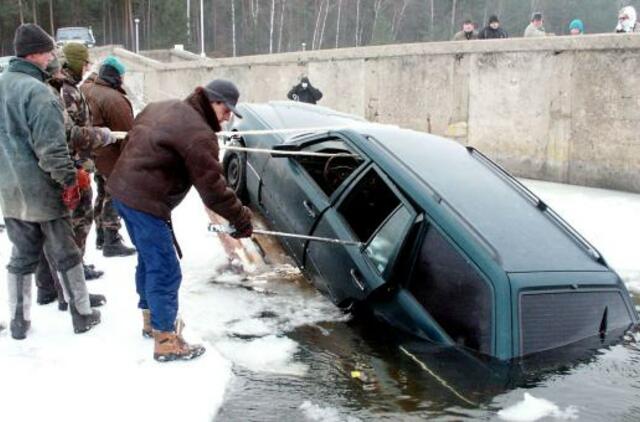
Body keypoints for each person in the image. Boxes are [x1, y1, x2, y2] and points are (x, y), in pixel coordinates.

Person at [107, 79, 253, 362]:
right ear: (214, 102)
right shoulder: (199, 134)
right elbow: (214, 191)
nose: (228, 117)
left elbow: (133, 144)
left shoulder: (160, 107)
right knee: (165, 269)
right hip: (144, 202)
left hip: (122, 193)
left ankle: (152, 321)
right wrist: (242, 219)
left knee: (150, 260)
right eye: (227, 110)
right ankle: (165, 340)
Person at [0, 24, 101, 339]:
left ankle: (19, 322)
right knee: (66, 253)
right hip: (43, 191)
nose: (52, 56)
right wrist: (71, 181)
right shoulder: (39, 93)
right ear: (35, 54)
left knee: (21, 255)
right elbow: (52, 150)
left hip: (10, 192)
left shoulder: (3, 84)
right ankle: (82, 314)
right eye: (49, 51)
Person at [36, 55, 112, 308]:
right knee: (72, 230)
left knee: (47, 234)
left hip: (50, 171)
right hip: (67, 169)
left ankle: (48, 288)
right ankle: (72, 294)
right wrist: (101, 137)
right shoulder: (54, 94)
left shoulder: (49, 90)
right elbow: (69, 134)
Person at [80, 56, 136, 258]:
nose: (123, 79)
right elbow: (127, 132)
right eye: (121, 75)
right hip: (110, 156)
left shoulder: (86, 89)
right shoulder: (113, 99)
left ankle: (101, 236)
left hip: (92, 153)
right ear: (115, 76)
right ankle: (112, 238)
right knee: (114, 195)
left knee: (102, 193)